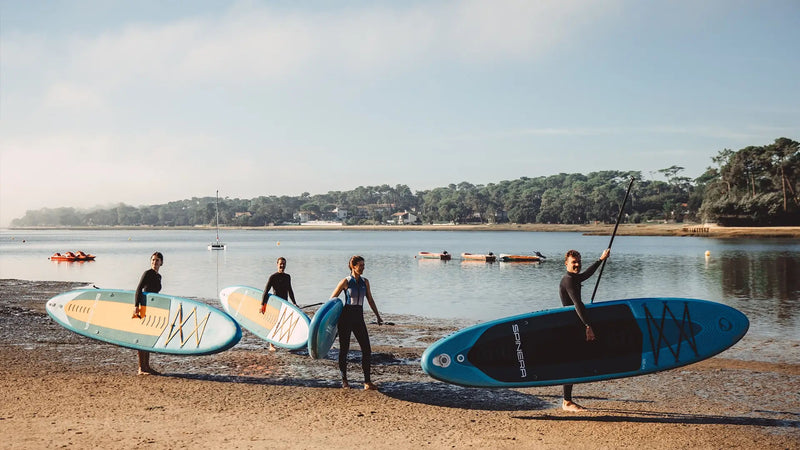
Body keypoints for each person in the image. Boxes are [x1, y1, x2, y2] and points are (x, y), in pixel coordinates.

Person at [558, 247, 610, 411]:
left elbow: (586, 275)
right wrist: (588, 326)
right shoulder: (568, 280)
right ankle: (566, 401)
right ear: (566, 263)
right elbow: (577, 304)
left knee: (576, 360)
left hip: (574, 323)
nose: (577, 265)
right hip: (570, 326)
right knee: (571, 361)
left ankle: (568, 400)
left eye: (579, 262)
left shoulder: (573, 278)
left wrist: (600, 260)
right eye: (574, 262)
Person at [329, 255, 384, 391]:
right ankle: (344, 380)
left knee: (367, 350)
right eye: (360, 265)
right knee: (344, 350)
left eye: (363, 265)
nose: (363, 268)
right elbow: (332, 300)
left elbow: (370, 300)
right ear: (353, 266)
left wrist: (377, 316)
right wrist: (329, 320)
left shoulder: (365, 282)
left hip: (359, 318)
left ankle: (367, 382)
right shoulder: (345, 282)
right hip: (346, 318)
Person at [133, 251, 164, 376]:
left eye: (157, 260)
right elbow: (138, 289)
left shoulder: (159, 276)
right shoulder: (147, 273)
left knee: (148, 337)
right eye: (153, 260)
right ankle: (141, 368)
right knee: (141, 337)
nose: (154, 262)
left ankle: (147, 366)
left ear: (161, 263)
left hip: (152, 309)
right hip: (143, 307)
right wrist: (136, 307)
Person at [260, 256, 298, 351]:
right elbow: (266, 291)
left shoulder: (287, 277)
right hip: (276, 303)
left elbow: (290, 291)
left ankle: (286, 342)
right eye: (280, 264)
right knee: (275, 323)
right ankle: (271, 345)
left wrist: (294, 303)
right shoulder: (273, 277)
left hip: (285, 303)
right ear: (277, 264)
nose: (282, 265)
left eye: (284, 264)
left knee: (286, 323)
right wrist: (262, 305)